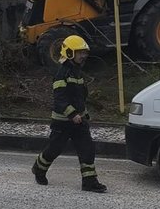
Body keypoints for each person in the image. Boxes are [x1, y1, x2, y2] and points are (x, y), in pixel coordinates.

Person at [31, 34, 107, 192]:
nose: (83, 56)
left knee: (87, 148)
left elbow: (80, 97)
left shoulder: (77, 72)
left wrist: (87, 111)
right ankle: (39, 168)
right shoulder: (62, 74)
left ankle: (89, 182)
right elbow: (60, 100)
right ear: (70, 53)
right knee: (54, 149)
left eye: (84, 53)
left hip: (79, 121)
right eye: (80, 52)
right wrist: (72, 115)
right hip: (63, 122)